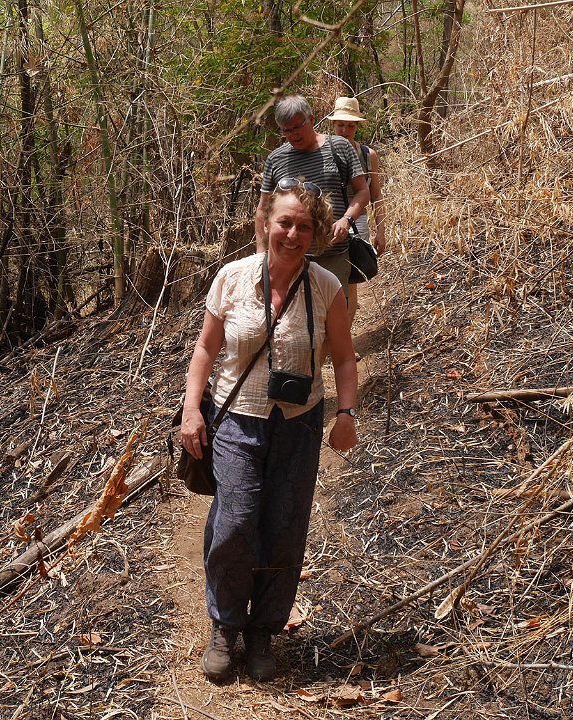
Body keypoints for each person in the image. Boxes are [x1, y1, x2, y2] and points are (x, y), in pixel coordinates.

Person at [181, 179, 358, 682]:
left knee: (284, 527)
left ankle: (263, 630)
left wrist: (346, 414)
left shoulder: (325, 287)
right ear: (265, 223)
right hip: (237, 420)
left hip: (299, 425)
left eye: (303, 226)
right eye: (284, 223)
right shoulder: (232, 278)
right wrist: (192, 409)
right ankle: (225, 625)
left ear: (315, 232)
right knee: (235, 522)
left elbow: (345, 359)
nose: (292, 234)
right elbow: (205, 349)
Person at [255, 95, 369, 311]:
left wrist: (346, 220)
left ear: (311, 119)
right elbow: (263, 209)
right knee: (293, 316)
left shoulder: (340, 147)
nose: (293, 135)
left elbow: (362, 192)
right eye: (286, 130)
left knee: (334, 314)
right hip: (290, 256)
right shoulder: (276, 159)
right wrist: (261, 255)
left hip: (334, 253)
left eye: (298, 127)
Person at [328, 96, 387, 327]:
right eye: (340, 125)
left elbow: (376, 195)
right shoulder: (322, 151)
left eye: (350, 125)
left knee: (349, 283)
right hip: (328, 222)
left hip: (357, 223)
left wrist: (381, 231)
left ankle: (344, 340)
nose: (345, 130)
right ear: (333, 124)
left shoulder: (367, 155)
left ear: (357, 126)